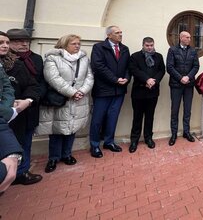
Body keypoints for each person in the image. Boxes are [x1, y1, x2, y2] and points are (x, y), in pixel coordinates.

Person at [36, 34, 94, 172]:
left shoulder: (84, 58)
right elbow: (53, 78)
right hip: (61, 99)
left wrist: (82, 91)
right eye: (74, 43)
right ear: (64, 44)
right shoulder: (53, 58)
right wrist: (72, 92)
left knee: (72, 128)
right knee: (57, 129)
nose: (77, 46)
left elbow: (90, 76)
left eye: (79, 43)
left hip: (79, 99)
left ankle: (67, 154)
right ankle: (53, 158)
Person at [0, 31, 42, 186]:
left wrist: (28, 100)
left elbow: (33, 85)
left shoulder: (18, 64)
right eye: (1, 43)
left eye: (6, 42)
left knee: (22, 144)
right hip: (4, 116)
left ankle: (21, 172)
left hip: (19, 115)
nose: (4, 46)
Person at [89, 26, 130, 158]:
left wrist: (127, 79)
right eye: (117, 33)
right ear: (109, 35)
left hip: (119, 90)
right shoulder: (99, 47)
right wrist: (115, 79)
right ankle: (94, 145)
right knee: (97, 119)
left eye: (121, 32)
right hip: (103, 90)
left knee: (113, 117)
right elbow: (98, 66)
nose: (120, 35)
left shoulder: (124, 49)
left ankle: (109, 142)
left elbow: (128, 67)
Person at [128, 37, 165, 153]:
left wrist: (154, 81)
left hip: (153, 92)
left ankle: (148, 138)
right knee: (137, 117)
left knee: (150, 116)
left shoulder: (158, 56)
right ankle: (134, 140)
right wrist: (146, 79)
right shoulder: (135, 56)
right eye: (147, 45)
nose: (149, 48)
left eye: (151, 45)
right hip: (139, 92)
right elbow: (134, 70)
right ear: (143, 45)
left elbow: (161, 70)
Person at [166, 31, 199, 146]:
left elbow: (196, 66)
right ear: (181, 38)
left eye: (190, 37)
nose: (190, 39)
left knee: (187, 110)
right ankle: (174, 134)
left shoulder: (193, 51)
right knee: (174, 110)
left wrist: (188, 77)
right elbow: (169, 67)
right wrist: (180, 78)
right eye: (187, 37)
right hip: (176, 85)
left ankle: (186, 132)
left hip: (189, 85)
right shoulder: (173, 50)